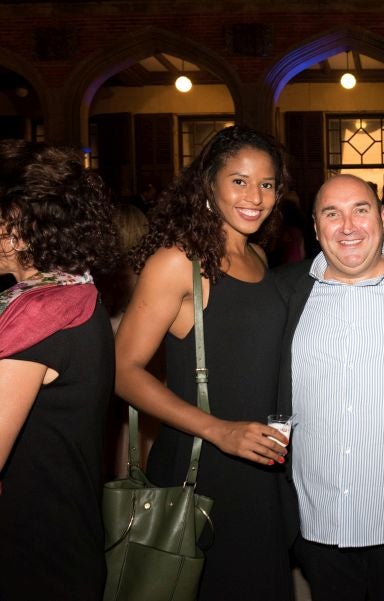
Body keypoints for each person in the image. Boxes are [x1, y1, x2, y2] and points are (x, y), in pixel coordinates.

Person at [114, 126, 296, 600]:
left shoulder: (257, 255)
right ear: (208, 184)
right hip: (203, 465)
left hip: (263, 465)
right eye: (239, 181)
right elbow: (124, 371)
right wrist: (218, 430)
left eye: (267, 183)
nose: (255, 196)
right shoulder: (179, 262)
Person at [273, 174, 384, 601]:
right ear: (314, 225)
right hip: (317, 522)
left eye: (360, 210)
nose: (348, 226)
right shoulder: (283, 293)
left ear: (382, 217)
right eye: (332, 213)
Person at [0, 140, 118, 599]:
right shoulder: (73, 294)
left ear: (19, 228)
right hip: (59, 538)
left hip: (35, 554)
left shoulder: (42, 317)